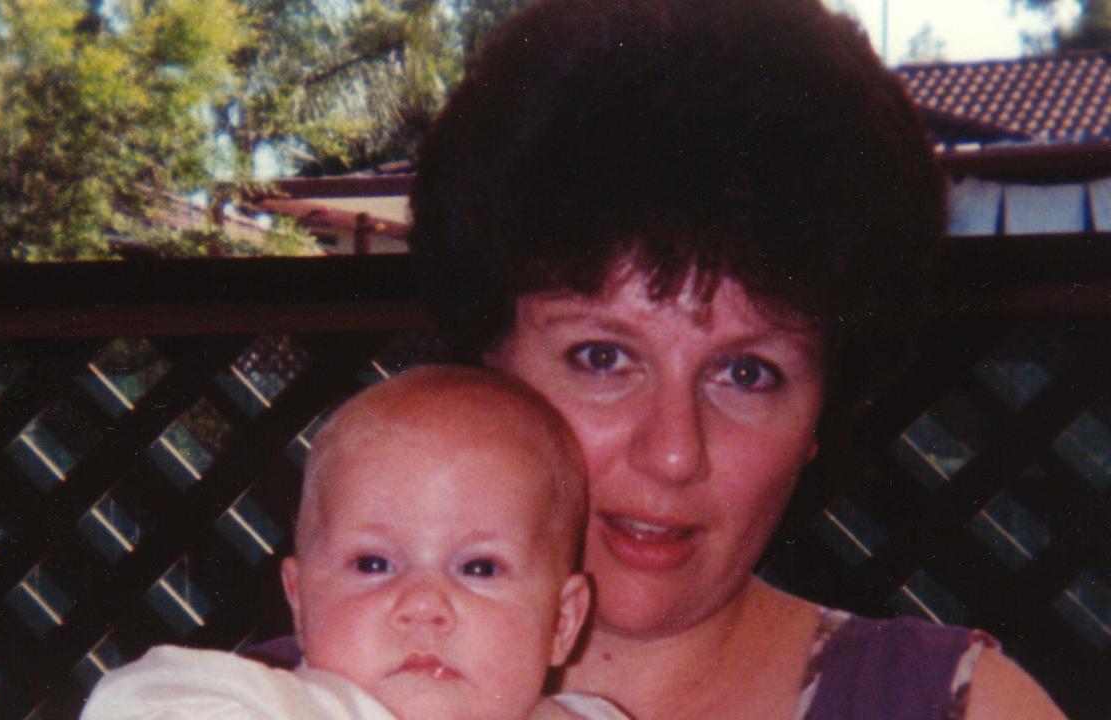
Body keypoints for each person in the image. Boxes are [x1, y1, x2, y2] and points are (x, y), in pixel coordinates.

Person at [405, 0, 1069, 719]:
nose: (672, 453)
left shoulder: (958, 709)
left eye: (746, 374)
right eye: (601, 357)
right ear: (485, 363)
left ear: (821, 410)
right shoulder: (284, 701)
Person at [81, 366, 628, 720]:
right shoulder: (269, 707)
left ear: (562, 622)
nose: (422, 607)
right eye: (373, 563)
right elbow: (132, 704)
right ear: (300, 600)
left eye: (480, 568)